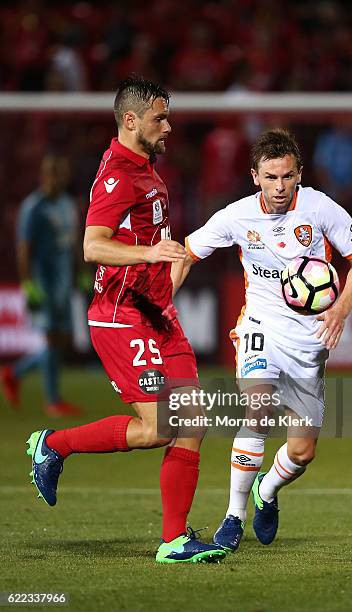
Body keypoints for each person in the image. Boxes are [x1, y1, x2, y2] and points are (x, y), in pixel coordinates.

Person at [25, 76, 226, 565]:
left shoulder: (146, 169)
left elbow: (146, 242)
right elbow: (93, 245)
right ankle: (53, 444)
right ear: (131, 120)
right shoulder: (118, 174)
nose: (169, 126)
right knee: (159, 428)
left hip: (159, 312)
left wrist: (168, 269)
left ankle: (174, 542)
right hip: (121, 315)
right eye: (160, 118)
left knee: (194, 421)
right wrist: (150, 252)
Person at [173, 128, 352, 552]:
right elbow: (188, 254)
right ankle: (233, 515)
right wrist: (162, 306)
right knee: (259, 409)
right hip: (259, 327)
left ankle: (267, 490)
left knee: (301, 452)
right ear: (254, 176)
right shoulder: (237, 216)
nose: (279, 187)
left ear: (299, 174)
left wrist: (338, 309)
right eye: (270, 177)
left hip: (310, 339)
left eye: (286, 177)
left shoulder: (319, 207)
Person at [0, 155, 83, 417]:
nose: (55, 178)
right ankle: (53, 401)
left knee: (61, 340)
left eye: (60, 173)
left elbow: (74, 244)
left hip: (62, 283)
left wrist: (81, 273)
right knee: (49, 338)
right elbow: (24, 249)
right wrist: (28, 285)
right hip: (42, 282)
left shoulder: (68, 205)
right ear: (44, 175)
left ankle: (14, 373)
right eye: (51, 173)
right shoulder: (33, 207)